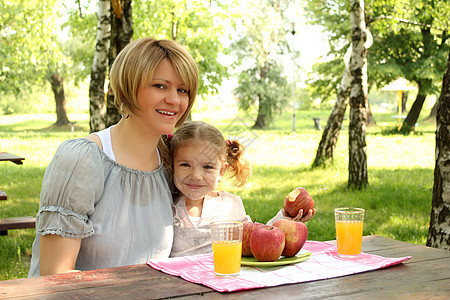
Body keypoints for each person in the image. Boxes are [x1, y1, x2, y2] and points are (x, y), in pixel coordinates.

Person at [28, 37, 199, 277]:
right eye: (160, 85)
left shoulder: (171, 162)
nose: (174, 99)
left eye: (183, 90)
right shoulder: (82, 159)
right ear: (129, 85)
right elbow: (55, 274)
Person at [166, 121, 315, 257]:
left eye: (207, 167)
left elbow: (256, 240)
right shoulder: (165, 204)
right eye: (185, 165)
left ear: (221, 171)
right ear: (172, 164)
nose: (196, 175)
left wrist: (285, 217)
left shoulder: (230, 205)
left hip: (221, 280)